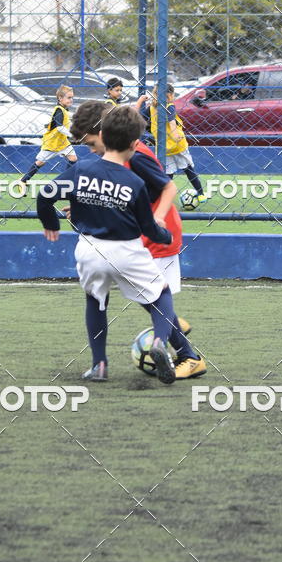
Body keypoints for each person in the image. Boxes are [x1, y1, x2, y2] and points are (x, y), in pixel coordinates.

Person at [36, 105, 181, 385]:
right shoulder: (134, 182)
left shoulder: (81, 168)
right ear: (134, 144)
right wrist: (166, 237)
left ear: (101, 135)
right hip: (126, 250)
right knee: (161, 292)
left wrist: (51, 224)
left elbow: (45, 195)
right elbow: (148, 227)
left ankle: (99, 365)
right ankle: (160, 342)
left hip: (90, 249)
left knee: (96, 300)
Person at [70, 100, 206, 379]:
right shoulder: (113, 156)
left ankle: (188, 356)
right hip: (134, 234)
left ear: (105, 132)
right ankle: (170, 335)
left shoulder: (137, 154)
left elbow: (169, 187)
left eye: (91, 143)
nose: (91, 150)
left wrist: (155, 219)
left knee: (154, 299)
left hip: (156, 234)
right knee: (154, 300)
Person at [150, 84, 205, 200]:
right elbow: (171, 122)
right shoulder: (169, 106)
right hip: (177, 145)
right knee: (189, 169)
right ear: (170, 95)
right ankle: (201, 194)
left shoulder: (152, 107)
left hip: (163, 147)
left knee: (168, 174)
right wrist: (175, 135)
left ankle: (165, 198)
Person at [18, 84, 77, 190]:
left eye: (72, 97)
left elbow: (65, 126)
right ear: (60, 98)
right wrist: (71, 135)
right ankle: (23, 180)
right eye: (69, 97)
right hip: (52, 143)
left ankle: (66, 181)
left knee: (73, 158)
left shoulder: (64, 110)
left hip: (62, 143)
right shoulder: (59, 110)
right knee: (40, 162)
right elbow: (59, 127)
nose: (71, 100)